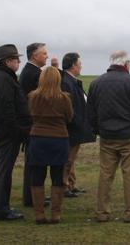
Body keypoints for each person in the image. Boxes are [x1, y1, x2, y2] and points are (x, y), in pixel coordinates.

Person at [88, 50, 130, 223]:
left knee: (105, 174)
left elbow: (91, 112)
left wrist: (98, 130)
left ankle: (102, 212)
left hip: (107, 136)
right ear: (126, 64)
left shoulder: (96, 83)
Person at [0, 44, 32, 221]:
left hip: (2, 131)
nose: (19, 62)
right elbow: (7, 109)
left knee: (0, 170)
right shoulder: (4, 79)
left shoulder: (3, 77)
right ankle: (2, 210)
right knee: (3, 171)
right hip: (7, 133)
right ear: (7, 61)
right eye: (16, 59)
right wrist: (18, 131)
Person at [26, 67, 73, 224]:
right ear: (58, 80)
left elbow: (30, 115)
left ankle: (39, 214)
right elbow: (69, 117)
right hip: (59, 139)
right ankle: (55, 214)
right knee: (57, 177)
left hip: (38, 139)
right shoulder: (64, 99)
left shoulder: (33, 97)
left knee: (37, 177)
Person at [19, 42, 57, 207]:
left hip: (32, 124)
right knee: (33, 165)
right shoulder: (33, 74)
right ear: (34, 56)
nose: (46, 56)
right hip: (33, 124)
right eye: (44, 53)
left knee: (33, 164)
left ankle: (32, 196)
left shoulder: (30, 71)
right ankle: (32, 198)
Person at [60, 52, 96, 198]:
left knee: (71, 159)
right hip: (72, 128)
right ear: (73, 65)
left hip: (77, 127)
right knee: (68, 159)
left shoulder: (71, 80)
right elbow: (69, 108)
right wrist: (77, 122)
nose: (81, 66)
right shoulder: (66, 82)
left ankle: (71, 184)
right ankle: (64, 186)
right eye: (79, 64)